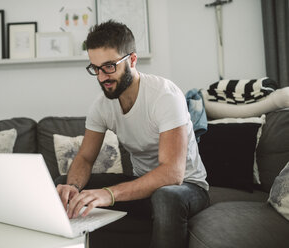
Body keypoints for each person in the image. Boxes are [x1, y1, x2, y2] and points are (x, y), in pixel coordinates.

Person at [56, 20, 210, 248]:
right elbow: (85, 158)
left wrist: (109, 194)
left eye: (109, 66)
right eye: (95, 68)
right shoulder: (101, 106)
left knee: (165, 196)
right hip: (142, 186)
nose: (101, 77)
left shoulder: (164, 96)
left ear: (133, 60)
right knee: (63, 188)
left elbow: (172, 174)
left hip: (187, 188)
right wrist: (74, 187)